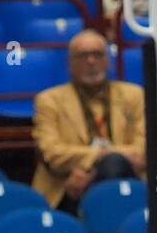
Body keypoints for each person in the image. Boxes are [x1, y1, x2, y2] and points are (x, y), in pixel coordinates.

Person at [31, 29, 145, 212]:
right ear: (70, 64)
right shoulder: (49, 100)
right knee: (112, 162)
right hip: (68, 187)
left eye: (97, 55)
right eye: (83, 56)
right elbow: (52, 153)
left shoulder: (134, 96)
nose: (91, 61)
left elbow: (143, 151)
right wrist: (100, 156)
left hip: (125, 181)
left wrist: (91, 172)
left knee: (114, 164)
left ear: (108, 61)